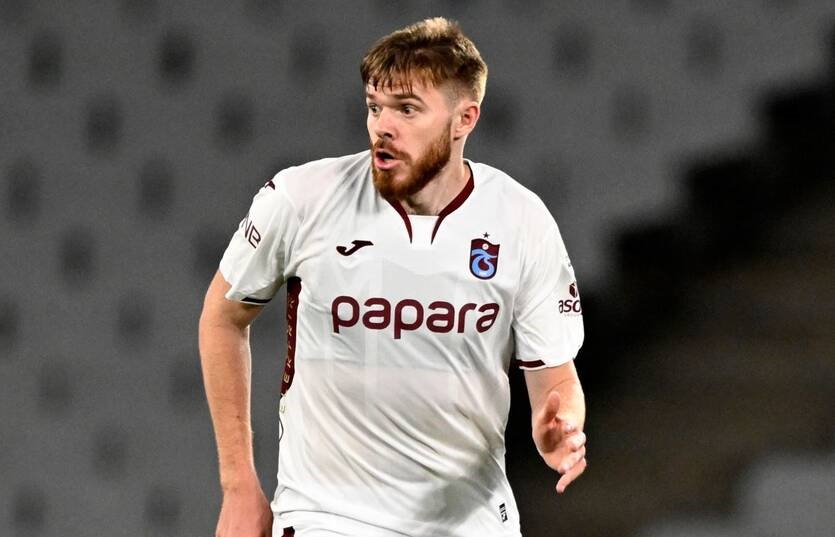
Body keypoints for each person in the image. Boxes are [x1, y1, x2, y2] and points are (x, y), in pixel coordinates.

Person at [199, 17, 587, 537]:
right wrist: (238, 485)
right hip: (328, 519)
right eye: (374, 106)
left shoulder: (521, 220)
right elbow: (223, 316)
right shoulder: (302, 199)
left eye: (407, 109)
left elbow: (555, 379)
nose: (383, 125)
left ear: (464, 119)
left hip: (471, 522)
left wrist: (560, 428)